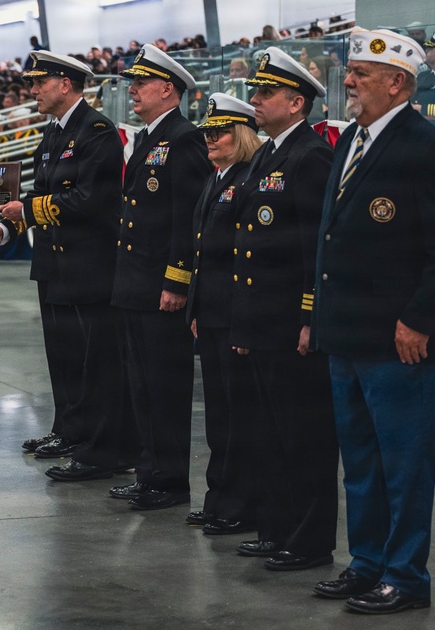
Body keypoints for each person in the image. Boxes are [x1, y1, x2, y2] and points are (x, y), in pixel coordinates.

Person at [310, 28, 435, 614]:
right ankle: (367, 563)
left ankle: (406, 577)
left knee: (402, 465)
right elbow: (332, 239)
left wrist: (419, 319)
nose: (349, 81)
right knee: (359, 459)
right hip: (348, 333)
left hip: (398, 339)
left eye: (359, 72)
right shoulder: (352, 139)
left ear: (397, 82)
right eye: (351, 70)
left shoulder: (425, 145)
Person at [0, 51, 134, 481]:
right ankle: (70, 429)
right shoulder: (55, 134)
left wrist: (30, 210)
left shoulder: (96, 131)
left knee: (95, 362)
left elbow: (91, 200)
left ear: (65, 84)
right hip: (55, 263)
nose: (33, 90)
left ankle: (99, 445)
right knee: (63, 356)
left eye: (40, 82)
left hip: (88, 263)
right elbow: (45, 190)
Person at [227, 47, 338, 568]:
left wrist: (308, 317)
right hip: (261, 318)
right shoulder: (271, 153)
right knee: (269, 432)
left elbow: (315, 246)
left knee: (304, 436)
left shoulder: (311, 156)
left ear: (296, 103)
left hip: (290, 321)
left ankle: (309, 539)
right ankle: (276, 526)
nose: (255, 99)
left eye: (265, 93)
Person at [108, 44, 212, 511]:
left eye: (141, 82)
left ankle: (169, 480)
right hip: (134, 282)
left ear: (167, 89)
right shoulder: (153, 137)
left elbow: (185, 218)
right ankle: (150, 472)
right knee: (141, 385)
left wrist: (176, 281)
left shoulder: (184, 138)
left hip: (159, 286)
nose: (133, 90)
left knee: (165, 387)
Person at [185, 93, 257, 533]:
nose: (210, 138)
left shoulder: (248, 179)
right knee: (218, 416)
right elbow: (201, 253)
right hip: (211, 313)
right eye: (208, 132)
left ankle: (240, 503)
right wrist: (195, 307)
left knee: (239, 415)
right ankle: (218, 496)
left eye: (220, 131)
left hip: (234, 314)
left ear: (243, 134)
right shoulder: (218, 178)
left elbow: (243, 259)